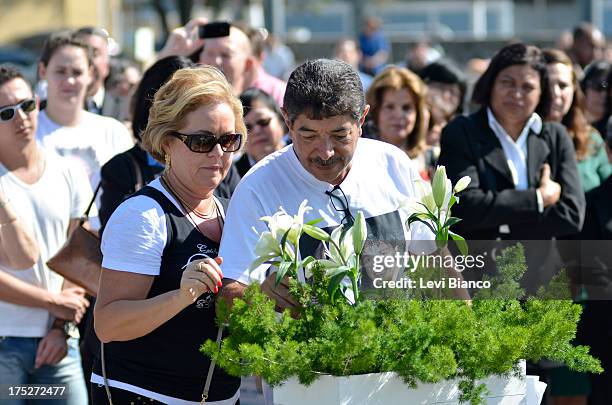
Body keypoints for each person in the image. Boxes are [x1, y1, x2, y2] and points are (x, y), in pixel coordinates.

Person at [217, 58, 434, 303]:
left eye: (340, 135)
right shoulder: (257, 188)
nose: (325, 152)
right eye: (308, 135)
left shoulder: (394, 163)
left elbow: (434, 255)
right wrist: (259, 297)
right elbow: (229, 291)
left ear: (362, 120)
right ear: (287, 121)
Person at [92, 66, 244, 404]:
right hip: (144, 395)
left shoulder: (231, 210)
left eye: (228, 140)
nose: (218, 154)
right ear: (166, 143)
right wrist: (180, 296)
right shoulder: (143, 216)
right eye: (202, 141)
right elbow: (108, 324)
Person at [0, 65, 92, 405]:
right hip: (4, 342)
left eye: (27, 105)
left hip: (58, 343)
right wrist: (54, 304)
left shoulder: (68, 171)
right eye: (6, 113)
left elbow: (79, 256)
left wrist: (58, 327)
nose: (21, 118)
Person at [439, 43, 585, 242]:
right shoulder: (461, 132)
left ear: (541, 93)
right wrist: (538, 200)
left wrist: (501, 223)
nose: (516, 94)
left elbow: (572, 215)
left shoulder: (555, 136)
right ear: (491, 84)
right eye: (507, 83)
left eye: (528, 87)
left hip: (541, 267)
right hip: (479, 266)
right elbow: (463, 207)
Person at [35, 32, 133, 192]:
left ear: (91, 74)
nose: (69, 81)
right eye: (60, 71)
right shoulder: (26, 133)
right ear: (43, 71)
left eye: (77, 72)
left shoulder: (113, 133)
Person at [544, 49, 611, 193]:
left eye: (563, 86)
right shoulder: (522, 138)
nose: (555, 93)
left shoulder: (590, 139)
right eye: (547, 84)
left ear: (574, 89)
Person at [364, 66, 429, 179]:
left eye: (406, 108)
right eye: (389, 107)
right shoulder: (360, 158)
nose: (398, 115)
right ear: (375, 111)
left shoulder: (431, 159)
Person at [236, 88, 286, 177]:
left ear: (281, 119)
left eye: (263, 122)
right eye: (247, 128)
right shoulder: (232, 177)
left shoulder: (303, 157)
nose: (256, 131)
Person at [73, 27, 112, 115]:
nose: (88, 60)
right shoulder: (52, 110)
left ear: (107, 66)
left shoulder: (126, 109)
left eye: (95, 53)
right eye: (83, 52)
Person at [580, 61, 612, 136]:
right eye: (598, 86)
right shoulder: (570, 125)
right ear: (583, 88)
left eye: (609, 89)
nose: (604, 94)